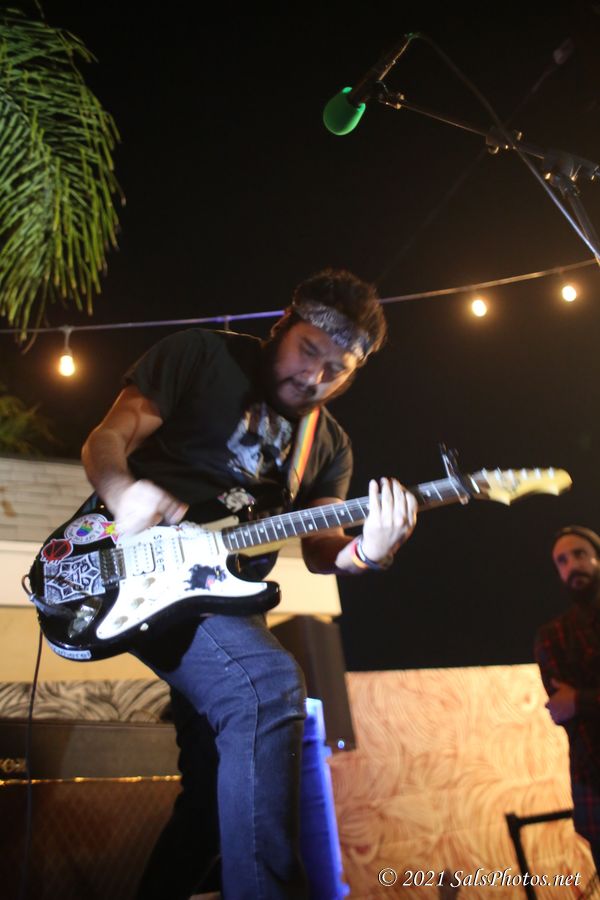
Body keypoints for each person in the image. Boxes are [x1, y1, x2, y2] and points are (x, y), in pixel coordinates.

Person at [81, 268, 418, 900]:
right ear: (281, 326)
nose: (314, 377)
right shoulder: (201, 355)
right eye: (308, 351)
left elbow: (323, 550)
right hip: (133, 559)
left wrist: (368, 554)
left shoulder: (329, 446)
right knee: (267, 685)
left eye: (337, 369)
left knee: (214, 794)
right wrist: (124, 493)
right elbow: (107, 438)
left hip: (224, 596)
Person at [535, 525, 600, 873]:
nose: (572, 565)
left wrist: (582, 699)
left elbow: (573, 704)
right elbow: (562, 709)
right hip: (593, 780)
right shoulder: (553, 635)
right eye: (562, 560)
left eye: (579, 554)